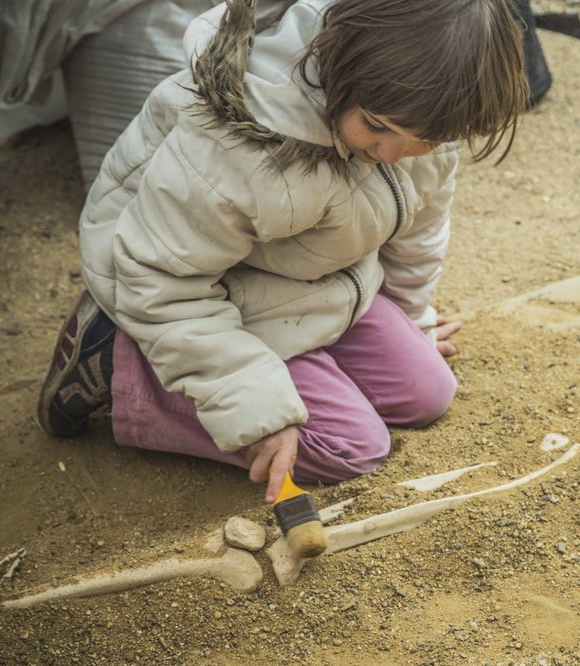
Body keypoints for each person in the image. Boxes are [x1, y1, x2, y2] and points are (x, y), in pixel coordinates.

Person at [36, 0, 528, 503]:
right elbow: (160, 277)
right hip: (177, 280)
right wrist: (255, 410)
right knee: (348, 445)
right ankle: (117, 360)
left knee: (427, 393)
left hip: (303, 278)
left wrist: (412, 319)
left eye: (422, 141)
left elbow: (416, 236)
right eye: (376, 125)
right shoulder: (242, 146)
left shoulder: (427, 118)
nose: (391, 154)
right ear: (342, 64)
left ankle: (288, 364)